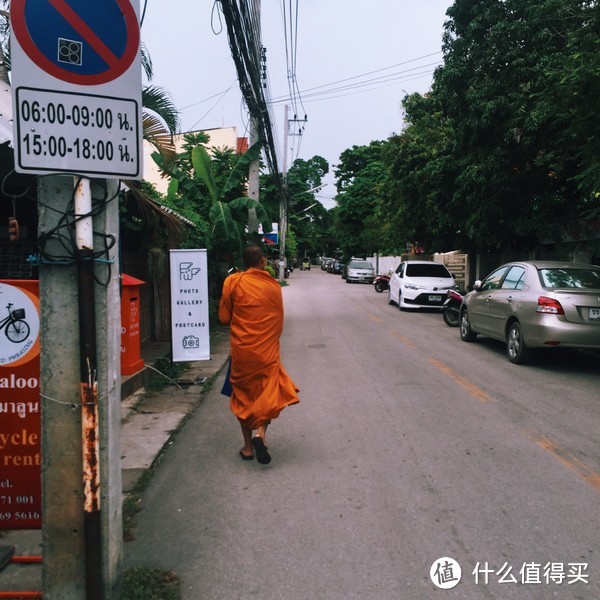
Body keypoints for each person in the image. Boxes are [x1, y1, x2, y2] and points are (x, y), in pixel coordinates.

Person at [219, 244, 299, 464]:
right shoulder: (272, 286)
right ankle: (260, 435)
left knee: (243, 396)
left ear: (244, 262)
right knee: (268, 395)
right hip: (266, 352)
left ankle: (247, 448)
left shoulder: (232, 282)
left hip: (242, 353)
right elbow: (277, 320)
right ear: (263, 261)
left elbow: (224, 318)